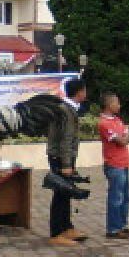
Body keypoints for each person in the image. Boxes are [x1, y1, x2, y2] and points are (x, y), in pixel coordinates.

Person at [48, 78, 87, 246]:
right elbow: (66, 139)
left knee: (66, 192)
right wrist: (66, 164)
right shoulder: (66, 110)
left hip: (65, 157)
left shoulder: (69, 109)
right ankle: (56, 232)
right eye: (84, 90)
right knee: (60, 193)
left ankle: (66, 227)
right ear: (79, 92)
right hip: (60, 158)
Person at [98, 92, 129, 240]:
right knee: (116, 197)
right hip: (114, 164)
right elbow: (122, 141)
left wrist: (127, 137)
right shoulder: (104, 123)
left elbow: (126, 136)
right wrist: (128, 137)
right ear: (109, 105)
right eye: (116, 103)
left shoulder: (117, 120)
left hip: (124, 163)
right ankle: (113, 228)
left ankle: (122, 225)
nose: (119, 106)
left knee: (125, 196)